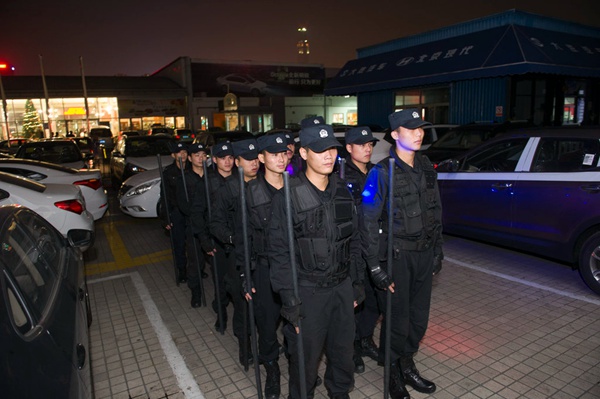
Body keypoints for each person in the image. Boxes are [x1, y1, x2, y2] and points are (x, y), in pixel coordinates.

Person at [268, 123, 364, 399]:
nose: (328, 156)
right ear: (304, 153)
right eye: (320, 150)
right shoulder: (287, 196)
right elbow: (279, 254)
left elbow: (355, 241)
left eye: (332, 149)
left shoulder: (343, 190)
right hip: (307, 292)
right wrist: (289, 302)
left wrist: (357, 283)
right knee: (305, 361)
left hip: (342, 287)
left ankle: (339, 392)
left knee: (343, 352)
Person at [360, 109, 443, 399]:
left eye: (420, 128)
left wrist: (437, 251)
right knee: (396, 321)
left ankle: (407, 364)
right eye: (411, 129)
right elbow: (368, 221)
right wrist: (374, 267)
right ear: (395, 135)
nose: (419, 133)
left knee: (418, 320)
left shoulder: (426, 167)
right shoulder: (380, 172)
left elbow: (436, 211)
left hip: (423, 255)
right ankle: (393, 374)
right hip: (396, 258)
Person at [236, 133, 288, 399]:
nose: (280, 159)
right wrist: (246, 275)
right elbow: (243, 238)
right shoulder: (250, 193)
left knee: (297, 323)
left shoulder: (297, 187)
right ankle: (272, 370)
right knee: (267, 326)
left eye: (284, 153)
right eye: (273, 154)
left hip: (295, 268)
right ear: (261, 157)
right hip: (265, 268)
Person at [210, 138, 260, 367]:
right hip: (237, 255)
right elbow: (216, 223)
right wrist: (232, 239)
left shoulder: (263, 184)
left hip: (261, 254)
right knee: (243, 303)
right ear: (238, 162)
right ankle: (245, 347)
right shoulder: (228, 189)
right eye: (248, 159)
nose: (254, 163)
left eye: (255, 158)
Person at [342, 126, 381, 374]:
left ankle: (366, 339)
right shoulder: (340, 175)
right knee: (355, 302)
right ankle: (353, 347)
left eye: (370, 144)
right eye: (362, 144)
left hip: (374, 248)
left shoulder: (376, 173)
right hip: (353, 249)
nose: (368, 148)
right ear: (349, 148)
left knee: (375, 301)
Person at [200, 141, 234, 332]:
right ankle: (221, 317)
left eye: (230, 158)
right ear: (214, 160)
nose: (227, 162)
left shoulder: (240, 179)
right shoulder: (208, 182)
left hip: (235, 240)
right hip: (217, 241)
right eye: (223, 158)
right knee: (220, 283)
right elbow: (200, 213)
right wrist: (206, 242)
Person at [177, 142, 212, 308]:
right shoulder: (184, 178)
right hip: (194, 224)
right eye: (197, 155)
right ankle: (196, 293)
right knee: (195, 261)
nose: (201, 158)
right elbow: (183, 206)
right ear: (190, 158)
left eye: (204, 155)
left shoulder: (212, 176)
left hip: (213, 224)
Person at [159, 141, 190, 285]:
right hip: (177, 212)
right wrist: (166, 217)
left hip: (191, 212)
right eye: (179, 153)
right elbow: (164, 195)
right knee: (179, 244)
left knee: (193, 242)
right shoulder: (168, 173)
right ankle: (182, 271)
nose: (182, 155)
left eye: (184, 152)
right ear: (173, 155)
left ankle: (197, 268)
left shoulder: (192, 169)